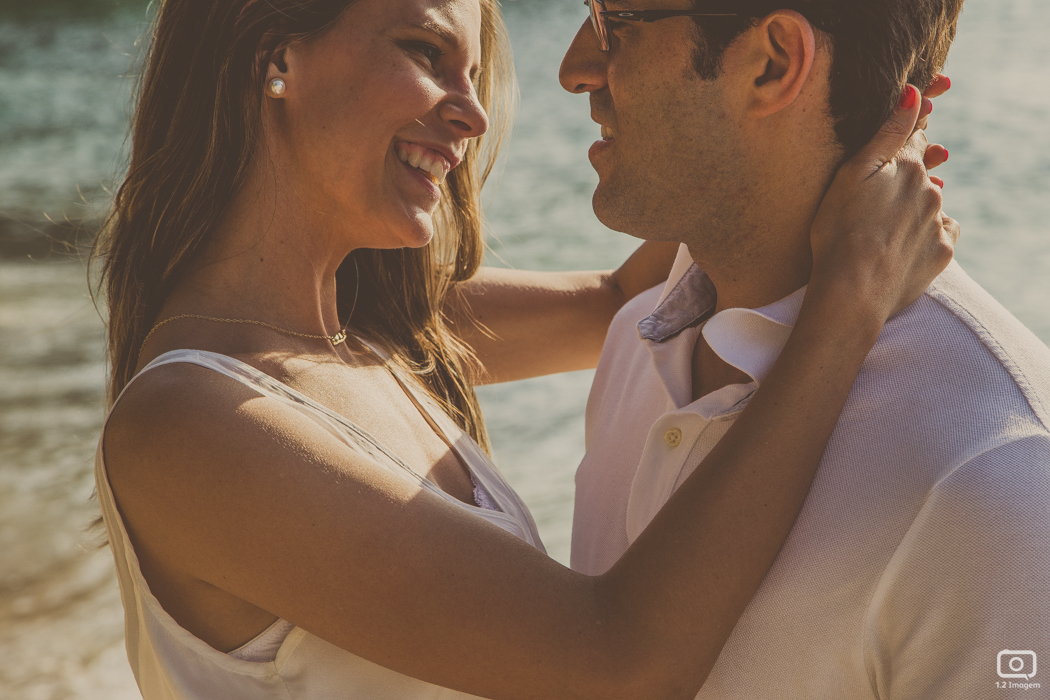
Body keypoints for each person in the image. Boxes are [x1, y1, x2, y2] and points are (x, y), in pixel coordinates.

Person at [91, 0, 954, 698]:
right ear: (272, 55)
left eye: (472, 73)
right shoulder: (192, 425)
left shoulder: (383, 339)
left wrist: (850, 102)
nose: (469, 117)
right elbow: (618, 663)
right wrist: (851, 299)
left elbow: (624, 296)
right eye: (425, 52)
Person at [562, 1, 1050, 697]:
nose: (574, 69)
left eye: (616, 22)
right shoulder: (634, 345)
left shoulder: (994, 471)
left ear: (773, 63)